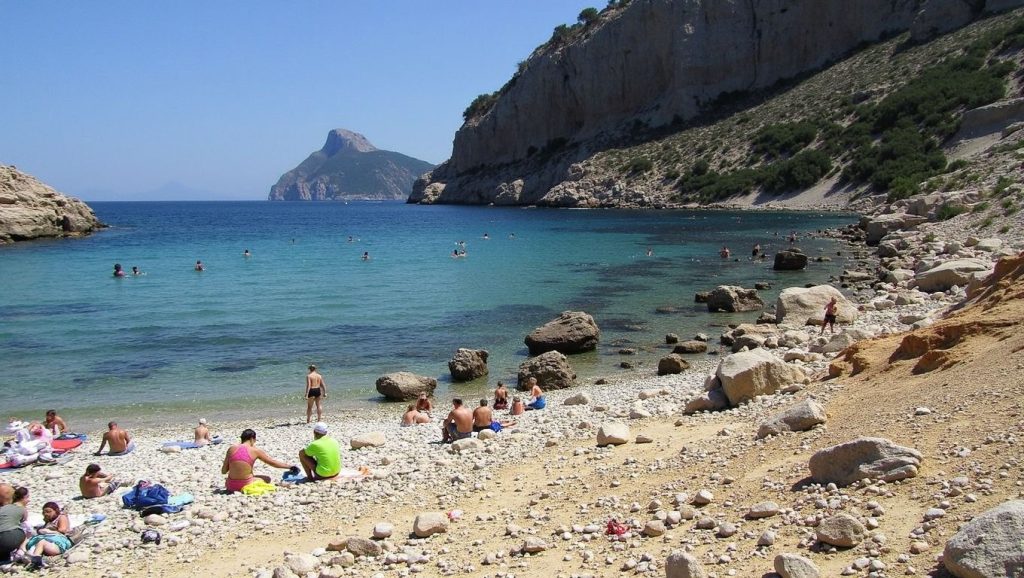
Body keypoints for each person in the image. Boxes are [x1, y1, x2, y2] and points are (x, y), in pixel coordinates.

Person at [221, 429, 291, 493]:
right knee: (267, 479)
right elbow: (272, 463)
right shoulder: (255, 451)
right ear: (252, 439)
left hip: (230, 486)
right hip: (246, 484)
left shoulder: (231, 449)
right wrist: (290, 467)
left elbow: (223, 471)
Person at [25, 501, 71, 566]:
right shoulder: (49, 520)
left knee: (42, 542)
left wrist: (50, 531)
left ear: (56, 511)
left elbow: (63, 530)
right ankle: (28, 556)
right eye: (44, 512)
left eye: (49, 511)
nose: (46, 514)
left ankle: (36, 559)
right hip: (48, 541)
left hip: (58, 542)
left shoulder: (61, 517)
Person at [0, 487, 27, 565]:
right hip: (10, 538)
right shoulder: (22, 508)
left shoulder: (2, 508)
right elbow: (25, 522)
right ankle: (21, 552)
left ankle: (4, 560)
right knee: (24, 531)